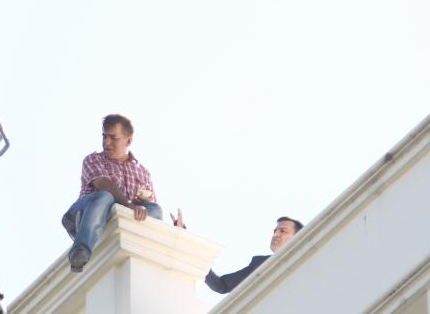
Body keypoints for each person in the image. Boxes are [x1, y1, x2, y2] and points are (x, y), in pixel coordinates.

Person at [61, 114, 163, 272]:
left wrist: (177, 230)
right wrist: (129, 204)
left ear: (128, 141)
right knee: (105, 196)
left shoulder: (143, 172)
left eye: (113, 138)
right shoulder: (93, 159)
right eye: (104, 136)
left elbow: (150, 204)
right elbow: (103, 183)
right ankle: (79, 253)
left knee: (155, 209)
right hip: (85, 212)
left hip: (117, 217)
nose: (106, 142)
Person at [173, 213, 303, 294]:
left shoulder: (306, 263)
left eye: (283, 231)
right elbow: (221, 285)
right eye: (275, 231)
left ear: (297, 237)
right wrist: (185, 238)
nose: (275, 235)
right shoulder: (260, 264)